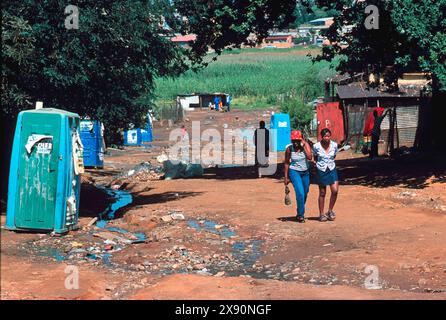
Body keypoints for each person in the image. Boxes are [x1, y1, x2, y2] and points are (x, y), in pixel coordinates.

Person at [284, 130, 312, 223]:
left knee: (305, 192)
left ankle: (299, 210)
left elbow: (310, 157)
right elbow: (287, 163)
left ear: (301, 139)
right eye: (293, 140)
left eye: (297, 140)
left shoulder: (306, 145)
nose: (295, 142)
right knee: (300, 192)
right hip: (294, 171)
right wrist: (286, 177)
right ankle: (301, 215)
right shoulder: (289, 149)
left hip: (305, 172)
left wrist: (304, 146)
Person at [313, 128, 339, 222]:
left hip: (332, 168)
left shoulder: (334, 145)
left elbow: (334, 155)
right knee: (322, 192)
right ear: (322, 137)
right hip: (321, 169)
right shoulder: (316, 146)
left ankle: (330, 211)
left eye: (328, 136)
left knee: (335, 191)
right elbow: (315, 156)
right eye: (325, 136)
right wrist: (317, 164)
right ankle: (321, 214)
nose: (327, 138)